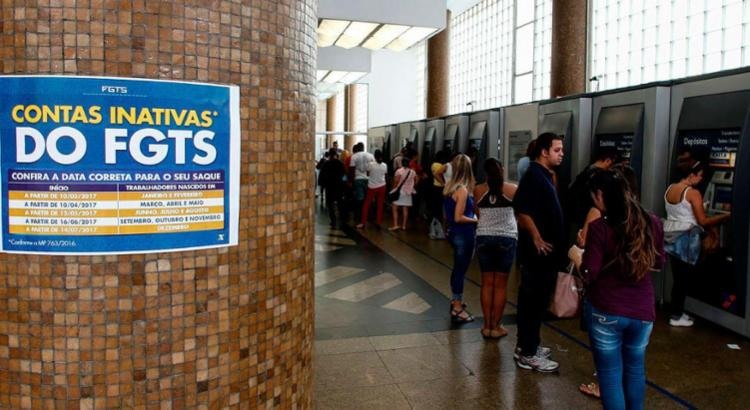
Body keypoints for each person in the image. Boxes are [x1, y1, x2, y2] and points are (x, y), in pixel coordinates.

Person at [578, 170, 665, 410]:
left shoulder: (599, 228)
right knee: (636, 370)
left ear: (600, 195)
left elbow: (589, 273)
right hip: (642, 311)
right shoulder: (652, 222)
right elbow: (658, 263)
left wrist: (577, 258)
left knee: (610, 374)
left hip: (607, 309)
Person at [513, 132, 565, 373]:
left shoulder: (543, 175)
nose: (561, 154)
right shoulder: (534, 175)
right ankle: (528, 353)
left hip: (544, 255)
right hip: (538, 256)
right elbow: (523, 211)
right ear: (544, 152)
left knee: (535, 301)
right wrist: (537, 238)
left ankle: (527, 344)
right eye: (557, 150)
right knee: (533, 302)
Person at [663, 159, 730, 327]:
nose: (701, 179)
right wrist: (727, 215)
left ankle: (677, 311)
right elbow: (703, 221)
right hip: (686, 238)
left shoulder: (670, 189)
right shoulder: (692, 193)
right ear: (691, 175)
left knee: (678, 277)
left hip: (671, 237)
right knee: (683, 279)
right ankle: (676, 316)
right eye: (699, 176)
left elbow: (680, 213)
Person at [473, 158, 517, 339]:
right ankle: (496, 327)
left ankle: (486, 326)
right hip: (506, 238)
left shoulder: (478, 190)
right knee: (500, 285)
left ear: (485, 173)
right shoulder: (512, 190)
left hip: (483, 237)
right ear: (502, 170)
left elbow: (478, 213)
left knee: (486, 283)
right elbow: (519, 212)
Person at [444, 154, 478, 323]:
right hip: (464, 234)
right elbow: (459, 217)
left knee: (457, 268)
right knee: (460, 270)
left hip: (454, 233)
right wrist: (476, 220)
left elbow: (449, 216)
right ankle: (457, 307)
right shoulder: (463, 190)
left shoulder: (449, 186)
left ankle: (455, 299)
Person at [567, 146, 618, 232]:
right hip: (587, 223)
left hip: (574, 220)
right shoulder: (600, 177)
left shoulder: (586, 172)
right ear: (608, 160)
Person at [358, 150, 387, 229]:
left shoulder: (371, 165)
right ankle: (378, 222)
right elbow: (384, 174)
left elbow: (368, 174)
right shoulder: (384, 165)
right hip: (382, 186)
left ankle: (363, 223)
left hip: (372, 187)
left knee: (366, 205)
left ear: (375, 156)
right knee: (380, 205)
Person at [318, 148, 346, 229]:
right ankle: (342, 220)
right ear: (336, 154)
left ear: (329, 155)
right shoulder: (340, 164)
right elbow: (344, 175)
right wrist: (344, 185)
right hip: (339, 187)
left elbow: (322, 176)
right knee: (340, 203)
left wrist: (322, 185)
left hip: (329, 187)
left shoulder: (326, 164)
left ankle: (333, 221)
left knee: (330, 205)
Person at [389, 157, 418, 231]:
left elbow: (396, 182)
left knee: (394, 208)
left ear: (402, 163)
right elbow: (416, 180)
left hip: (400, 192)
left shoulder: (399, 171)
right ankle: (404, 226)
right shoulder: (412, 172)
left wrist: (393, 189)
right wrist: (412, 186)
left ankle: (395, 225)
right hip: (408, 192)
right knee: (405, 209)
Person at [350, 143, 374, 225]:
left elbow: (352, 169)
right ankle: (368, 216)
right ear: (363, 148)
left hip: (358, 179)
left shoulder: (354, 156)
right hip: (368, 179)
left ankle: (359, 217)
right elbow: (373, 168)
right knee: (368, 199)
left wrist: (351, 181)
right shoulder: (370, 155)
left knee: (359, 199)